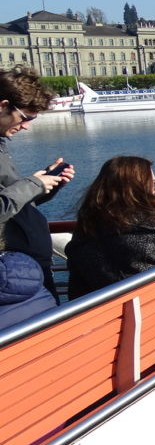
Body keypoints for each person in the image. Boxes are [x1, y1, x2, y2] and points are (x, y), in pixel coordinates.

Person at [67, 156, 155, 299]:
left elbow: (76, 292)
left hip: (104, 318)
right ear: (138, 189)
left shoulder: (84, 233)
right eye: (154, 183)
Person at [0, 66, 74, 305]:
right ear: (3, 106)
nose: (26, 126)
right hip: (12, 276)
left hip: (25, 270)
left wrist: (47, 184)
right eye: (25, 117)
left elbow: (14, 204)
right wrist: (34, 183)